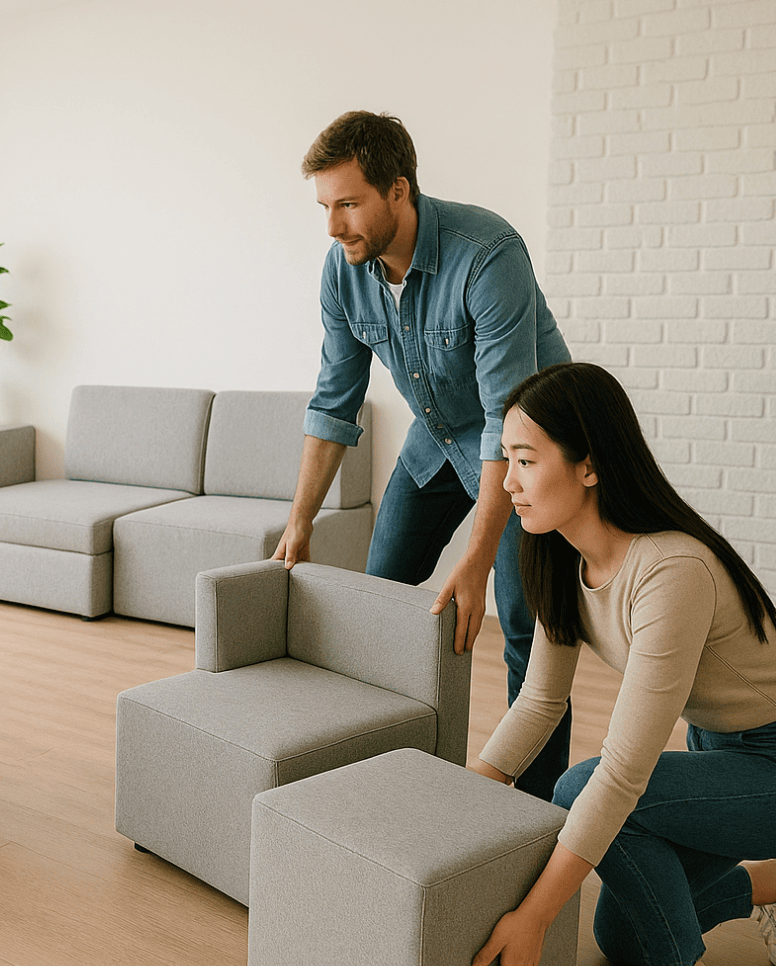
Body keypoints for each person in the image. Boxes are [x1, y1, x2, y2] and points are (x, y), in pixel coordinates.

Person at [273, 110, 573, 800]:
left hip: (531, 452)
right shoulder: (343, 271)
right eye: (325, 206)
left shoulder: (487, 253)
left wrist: (473, 558)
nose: (332, 226)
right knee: (379, 604)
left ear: (399, 191)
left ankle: (532, 817)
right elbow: (333, 402)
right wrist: (300, 522)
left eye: (348, 203)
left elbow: (507, 419)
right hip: (436, 441)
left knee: (526, 629)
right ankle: (384, 775)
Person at [469, 362, 776, 966]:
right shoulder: (560, 556)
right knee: (623, 937)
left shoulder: (670, 571)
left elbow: (623, 773)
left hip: (770, 760)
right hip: (716, 750)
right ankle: (767, 885)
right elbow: (538, 704)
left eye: (526, 460)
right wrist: (454, 804)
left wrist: (534, 917)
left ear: (589, 465)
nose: (507, 482)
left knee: (584, 788)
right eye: (507, 458)